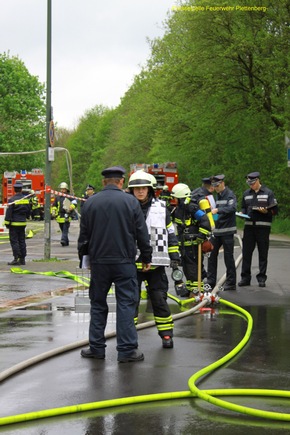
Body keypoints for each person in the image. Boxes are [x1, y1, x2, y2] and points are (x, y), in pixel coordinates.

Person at [78, 166, 152, 363]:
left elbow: (84, 237)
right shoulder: (131, 202)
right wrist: (146, 257)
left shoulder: (90, 203)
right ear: (121, 182)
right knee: (126, 304)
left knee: (98, 304)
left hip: (99, 263)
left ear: (104, 182)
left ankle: (96, 348)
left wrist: (86, 260)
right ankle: (127, 351)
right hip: (124, 262)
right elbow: (142, 234)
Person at [128, 170, 180, 349]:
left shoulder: (162, 208)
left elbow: (170, 232)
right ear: (131, 190)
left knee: (159, 299)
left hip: (156, 263)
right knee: (131, 300)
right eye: (136, 189)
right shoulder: (126, 207)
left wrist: (174, 256)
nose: (140, 192)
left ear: (150, 190)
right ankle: (129, 337)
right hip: (133, 262)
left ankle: (166, 335)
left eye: (143, 188)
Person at [238, 172, 278, 288]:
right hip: (249, 227)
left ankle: (261, 278)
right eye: (249, 183)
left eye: (253, 183)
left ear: (258, 180)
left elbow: (274, 210)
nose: (251, 185)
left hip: (263, 228)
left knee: (263, 253)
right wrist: (241, 213)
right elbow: (243, 207)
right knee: (246, 253)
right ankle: (245, 278)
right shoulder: (246, 194)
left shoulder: (268, 193)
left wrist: (266, 211)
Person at [171, 183, 212, 293]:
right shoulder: (179, 209)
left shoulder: (193, 208)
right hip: (185, 245)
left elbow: (205, 221)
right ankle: (191, 290)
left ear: (181, 198)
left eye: (175, 198)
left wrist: (201, 236)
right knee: (187, 269)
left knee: (193, 269)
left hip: (194, 245)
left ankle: (197, 292)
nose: (173, 200)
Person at [207, 174, 237, 291]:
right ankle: (211, 281)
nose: (216, 188)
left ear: (223, 183)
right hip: (217, 231)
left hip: (227, 231)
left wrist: (218, 210)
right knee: (211, 255)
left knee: (228, 257)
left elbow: (232, 208)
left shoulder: (229, 195)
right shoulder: (217, 196)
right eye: (214, 186)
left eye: (217, 185)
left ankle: (231, 282)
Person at [4, 181, 31, 265]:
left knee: (14, 241)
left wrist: (7, 223)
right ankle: (22, 259)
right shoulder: (26, 199)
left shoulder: (12, 200)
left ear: (14, 189)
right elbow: (28, 210)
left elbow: (9, 212)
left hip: (14, 224)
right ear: (21, 189)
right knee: (22, 240)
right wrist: (26, 217)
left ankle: (16, 258)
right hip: (22, 223)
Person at [51, 182, 76, 246]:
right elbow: (54, 205)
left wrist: (71, 207)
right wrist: (53, 211)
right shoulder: (57, 197)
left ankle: (63, 240)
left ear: (66, 189)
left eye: (63, 189)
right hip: (59, 216)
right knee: (62, 229)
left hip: (67, 215)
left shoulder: (70, 196)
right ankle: (66, 241)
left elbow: (75, 203)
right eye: (61, 189)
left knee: (65, 229)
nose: (62, 190)